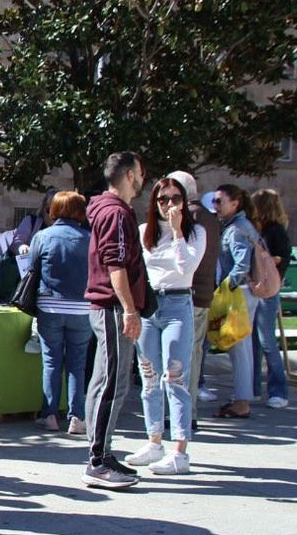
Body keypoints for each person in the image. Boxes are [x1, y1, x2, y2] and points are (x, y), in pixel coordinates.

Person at [124, 176, 206, 475]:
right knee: (149, 377)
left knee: (175, 377)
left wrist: (176, 231)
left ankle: (180, 450)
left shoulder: (195, 232)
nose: (169, 204)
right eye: (163, 200)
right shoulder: (145, 232)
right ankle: (154, 441)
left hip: (177, 304)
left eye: (175, 198)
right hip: (150, 306)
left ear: (184, 201)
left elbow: (187, 267)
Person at [82, 152, 148, 490]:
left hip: (107, 305)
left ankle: (100, 452)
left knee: (104, 379)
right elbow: (115, 264)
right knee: (112, 382)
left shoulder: (109, 210)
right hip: (111, 306)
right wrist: (130, 310)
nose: (143, 177)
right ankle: (98, 460)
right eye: (140, 171)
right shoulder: (115, 213)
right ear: (129, 175)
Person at [27, 191, 92, 434]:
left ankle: (50, 415)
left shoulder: (43, 236)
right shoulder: (89, 238)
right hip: (82, 308)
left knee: (52, 361)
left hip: (50, 306)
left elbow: (31, 269)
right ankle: (77, 417)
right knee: (77, 363)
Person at [169, 172, 222, 418]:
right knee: (194, 353)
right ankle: (188, 411)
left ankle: (184, 412)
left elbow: (183, 259)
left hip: (188, 294)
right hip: (202, 293)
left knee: (183, 357)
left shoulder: (191, 217)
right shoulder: (210, 218)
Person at [211, 183, 262, 419]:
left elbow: (241, 263)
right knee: (242, 347)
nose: (215, 205)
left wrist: (225, 287)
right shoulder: (241, 226)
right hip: (244, 293)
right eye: (214, 200)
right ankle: (243, 397)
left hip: (239, 293)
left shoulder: (236, 229)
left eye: (219, 201)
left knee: (239, 347)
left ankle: (242, 401)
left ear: (235, 203)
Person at [248, 188, 292, 408]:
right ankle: (253, 388)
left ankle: (278, 390)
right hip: (256, 288)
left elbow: (283, 259)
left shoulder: (275, 231)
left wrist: (267, 260)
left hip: (268, 291)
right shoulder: (259, 229)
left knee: (266, 341)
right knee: (253, 341)